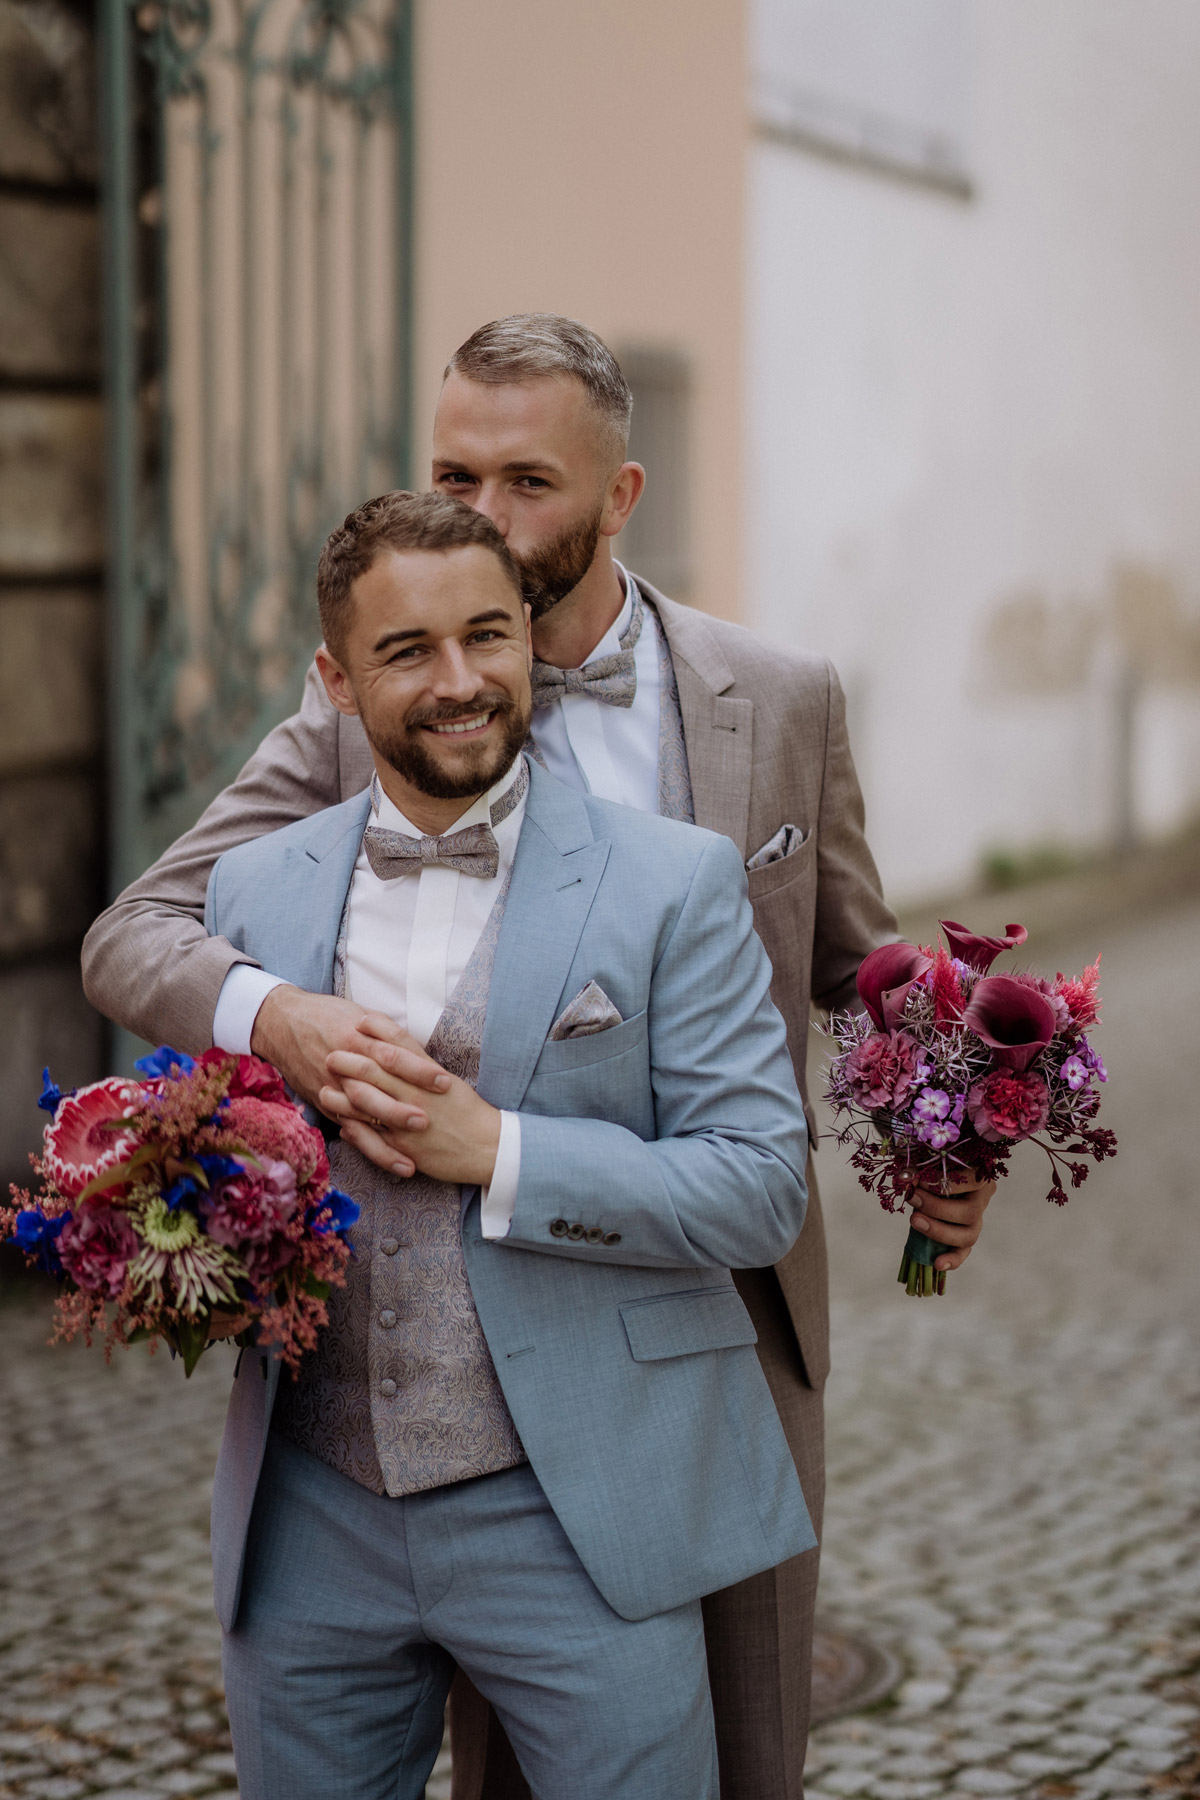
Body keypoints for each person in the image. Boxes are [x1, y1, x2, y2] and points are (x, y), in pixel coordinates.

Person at [83, 314, 993, 1799]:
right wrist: (276, 1013)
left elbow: (855, 966)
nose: (482, 521)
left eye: (528, 485)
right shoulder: (354, 709)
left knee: (738, 1750)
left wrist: (950, 1139)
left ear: (620, 495)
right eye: (454, 472)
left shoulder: (778, 697)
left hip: (718, 1317)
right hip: (390, 1412)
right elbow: (143, 933)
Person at [199, 488, 814, 1799]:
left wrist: (502, 1151)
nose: (462, 679)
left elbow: (762, 1186)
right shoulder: (256, 891)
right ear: (336, 682)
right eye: (409, 650)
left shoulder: (672, 883)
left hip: (579, 1500)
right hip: (308, 1505)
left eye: (488, 635)